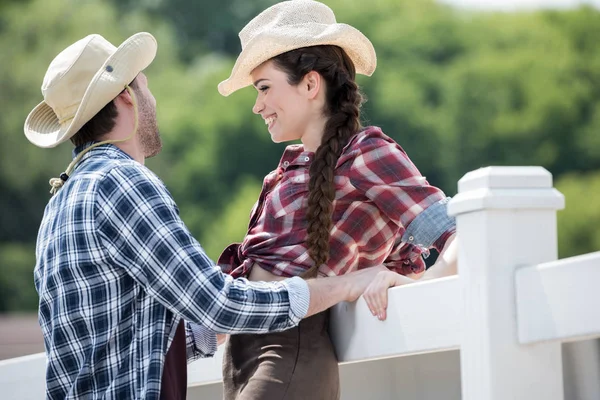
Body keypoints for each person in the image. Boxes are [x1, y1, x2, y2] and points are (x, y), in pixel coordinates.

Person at [24, 32, 389, 400]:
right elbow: (218, 303)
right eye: (146, 88)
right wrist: (344, 285)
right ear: (126, 97)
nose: (152, 100)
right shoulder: (122, 183)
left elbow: (123, 343)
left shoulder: (59, 205)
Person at [215, 1, 459, 399]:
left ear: (310, 85)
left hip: (287, 353)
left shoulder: (366, 152)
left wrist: (416, 280)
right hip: (243, 358)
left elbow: (460, 233)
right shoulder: (288, 169)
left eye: (263, 88)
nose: (257, 105)